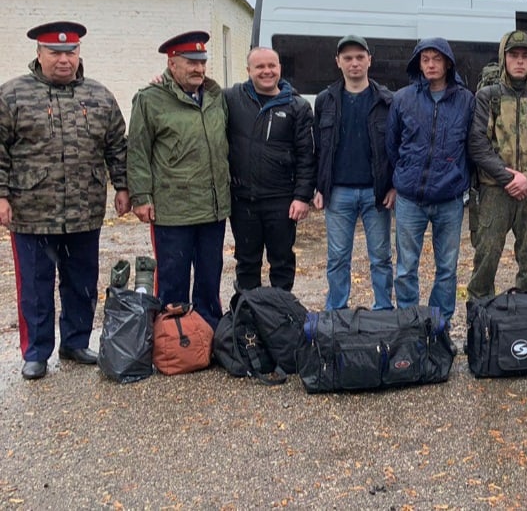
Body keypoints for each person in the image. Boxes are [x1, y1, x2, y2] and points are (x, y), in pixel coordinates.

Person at [1, 22, 129, 380]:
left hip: (84, 210)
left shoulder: (99, 96)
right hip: (31, 211)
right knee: (36, 287)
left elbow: (117, 146)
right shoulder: (12, 95)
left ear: (79, 54)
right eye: (55, 52)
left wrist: (122, 187)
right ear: (39, 54)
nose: (63, 59)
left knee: (82, 282)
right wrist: (1, 195)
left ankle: (75, 341)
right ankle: (36, 352)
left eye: (70, 52)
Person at [128, 31, 230, 329]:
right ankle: (173, 337)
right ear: (172, 65)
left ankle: (208, 331)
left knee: (210, 276)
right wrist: (141, 197)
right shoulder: (150, 99)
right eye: (191, 62)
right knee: (173, 277)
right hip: (172, 210)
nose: (199, 68)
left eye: (202, 61)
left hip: (212, 208)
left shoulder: (215, 96)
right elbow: (137, 151)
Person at [466, 30, 527, 300]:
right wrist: (507, 178)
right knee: (486, 257)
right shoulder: (488, 97)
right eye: (513, 55)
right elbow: (478, 144)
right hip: (494, 191)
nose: (519, 61)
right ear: (504, 58)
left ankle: (526, 318)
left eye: (525, 55)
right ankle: (479, 317)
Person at [386, 38, 474, 327]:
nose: (431, 64)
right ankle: (409, 323)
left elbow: (471, 147)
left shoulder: (465, 100)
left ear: (448, 63)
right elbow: (392, 144)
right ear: (418, 63)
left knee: (447, 269)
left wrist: (462, 180)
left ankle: (440, 324)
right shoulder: (403, 99)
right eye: (425, 59)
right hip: (410, 198)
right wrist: (402, 177)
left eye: (437, 59)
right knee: (405, 268)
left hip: (449, 199)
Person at [313, 35, 395, 310]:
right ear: (338, 62)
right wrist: (318, 187)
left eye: (360, 57)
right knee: (337, 257)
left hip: (377, 193)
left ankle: (383, 309)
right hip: (338, 192)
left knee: (381, 257)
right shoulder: (325, 100)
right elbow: (318, 149)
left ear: (369, 60)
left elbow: (395, 148)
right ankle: (336, 311)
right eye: (347, 58)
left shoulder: (386, 100)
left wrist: (393, 186)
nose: (354, 63)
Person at [224, 47, 315, 292]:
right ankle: (248, 316)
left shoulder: (297, 106)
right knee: (246, 262)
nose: (267, 71)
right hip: (243, 200)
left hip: (282, 201)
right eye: (260, 67)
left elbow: (307, 155)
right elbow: (199, 90)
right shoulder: (231, 99)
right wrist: (162, 81)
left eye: (272, 66)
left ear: (280, 68)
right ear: (248, 71)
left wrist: (302, 196)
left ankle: (280, 315)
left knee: (282, 261)